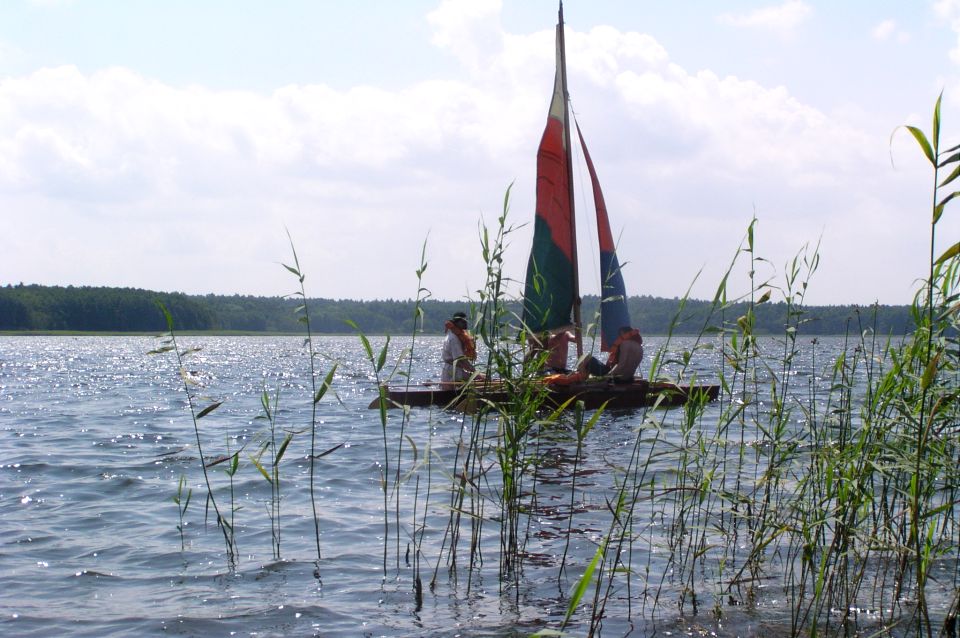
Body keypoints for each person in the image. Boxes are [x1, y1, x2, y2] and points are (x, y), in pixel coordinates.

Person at [441, 311, 483, 385]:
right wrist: (474, 371)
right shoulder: (454, 339)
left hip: (453, 371)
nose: (465, 323)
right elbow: (459, 359)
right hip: (454, 372)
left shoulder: (453, 335)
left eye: (465, 321)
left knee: (482, 376)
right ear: (456, 323)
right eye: (463, 322)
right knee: (484, 378)